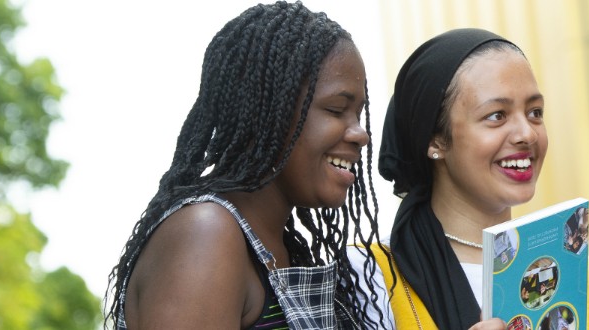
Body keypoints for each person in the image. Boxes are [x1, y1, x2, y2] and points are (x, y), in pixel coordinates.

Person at [104, 2, 383, 329]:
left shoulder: (275, 247)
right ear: (266, 116)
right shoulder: (206, 235)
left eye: (358, 113)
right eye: (337, 109)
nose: (360, 133)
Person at [359, 28, 589, 330]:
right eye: (496, 115)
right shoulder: (369, 280)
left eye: (535, 112)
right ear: (435, 140)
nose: (527, 134)